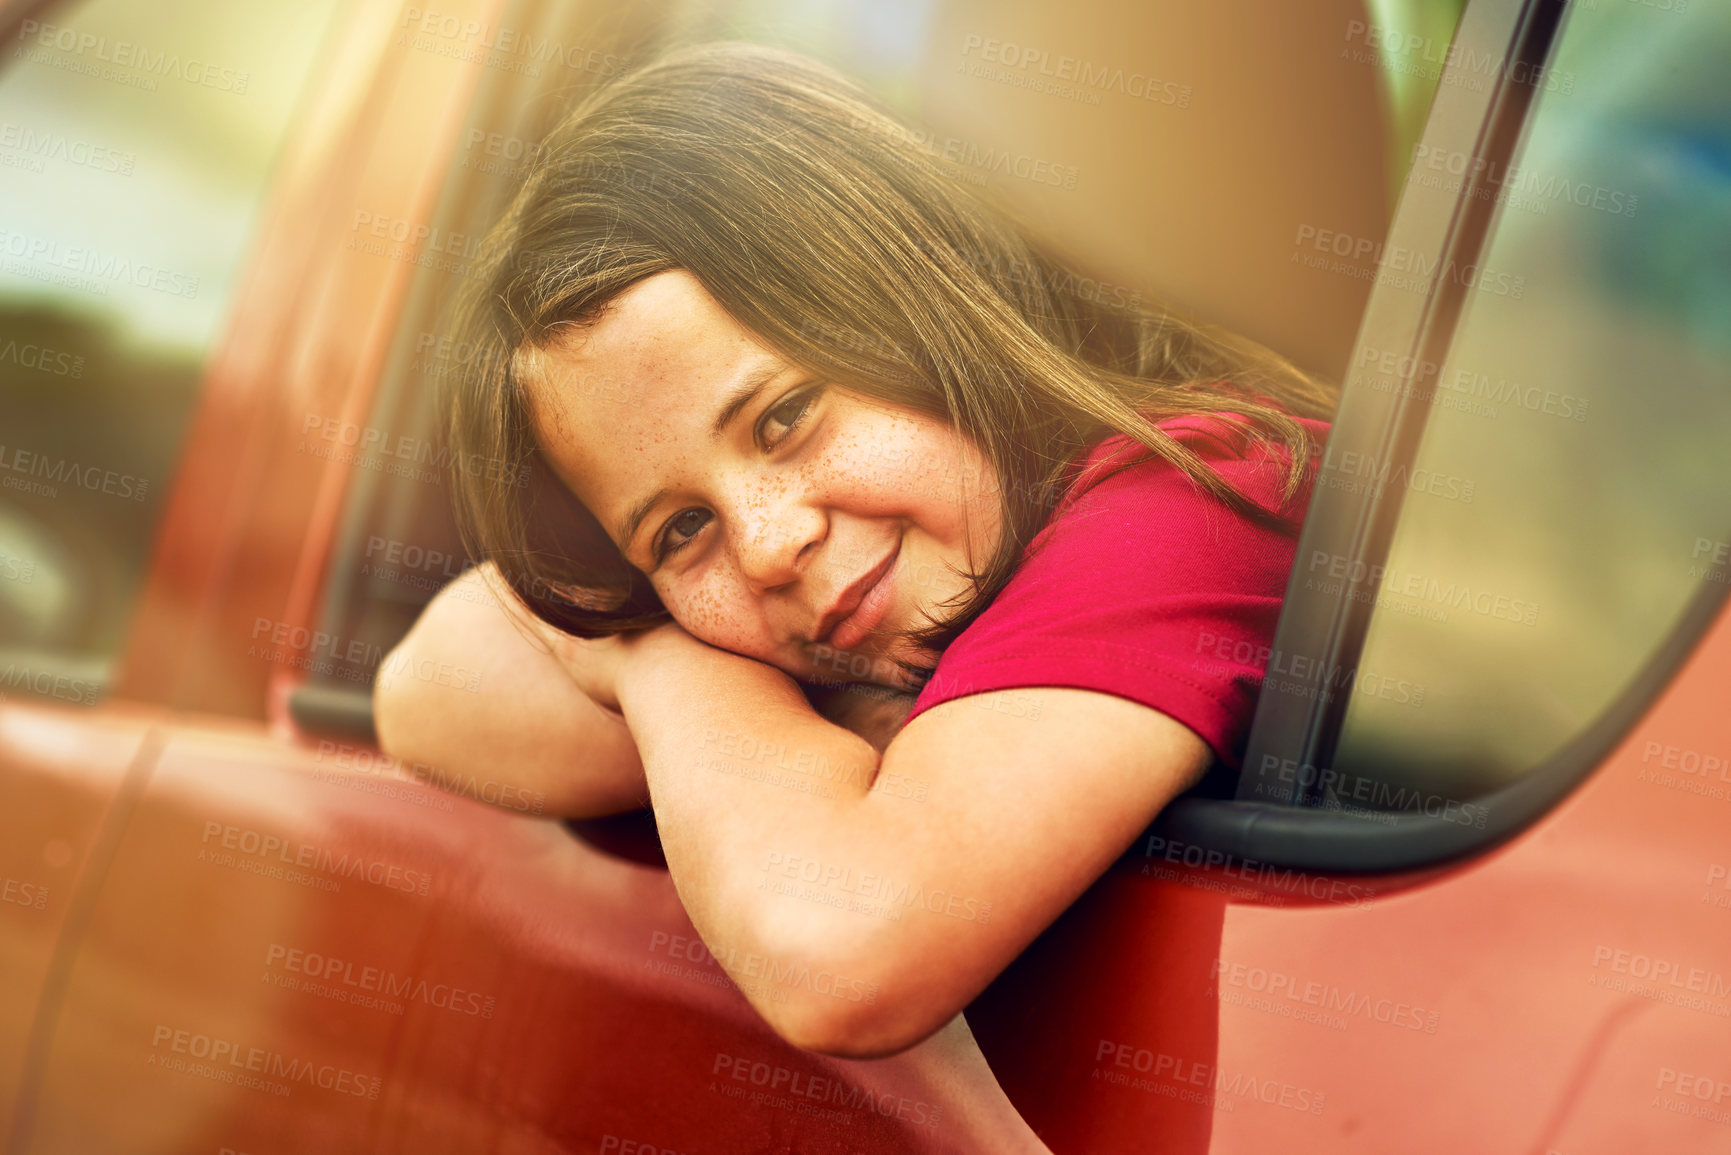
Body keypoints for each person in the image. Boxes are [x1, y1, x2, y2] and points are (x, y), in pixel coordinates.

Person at [374, 40, 1334, 1060]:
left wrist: (643, 665)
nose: (769, 544)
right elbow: (421, 683)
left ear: (930, 302)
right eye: (679, 532)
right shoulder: (856, 585)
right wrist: (654, 654)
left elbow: (839, 948)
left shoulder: (1206, 486)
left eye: (784, 417)